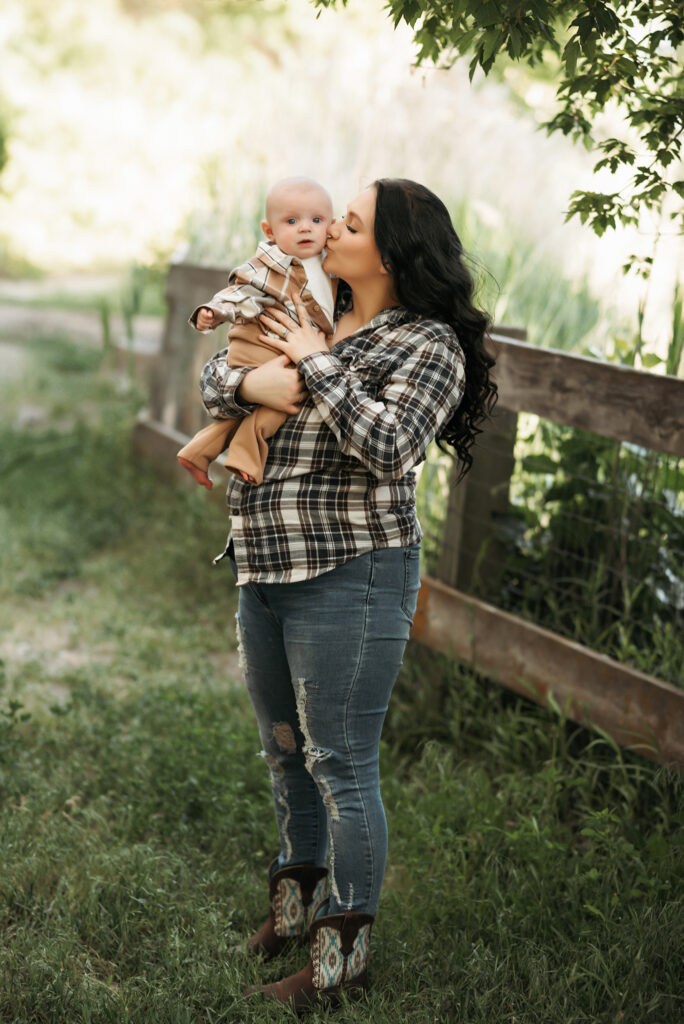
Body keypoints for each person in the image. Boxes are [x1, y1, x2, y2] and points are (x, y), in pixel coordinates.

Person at [199, 179, 497, 1009]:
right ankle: (292, 916)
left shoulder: (427, 344)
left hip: (352, 577)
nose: (328, 229)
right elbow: (217, 377)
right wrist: (251, 387)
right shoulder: (312, 300)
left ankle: (341, 966)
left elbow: (393, 446)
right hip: (265, 567)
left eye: (351, 223)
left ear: (392, 254)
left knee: (340, 762)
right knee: (287, 751)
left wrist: (318, 363)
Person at [178, 176, 335, 488]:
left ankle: (198, 451)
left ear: (331, 224)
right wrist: (215, 311)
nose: (306, 228)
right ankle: (245, 456)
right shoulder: (271, 265)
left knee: (267, 401)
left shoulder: (331, 263)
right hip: (260, 347)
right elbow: (241, 292)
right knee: (289, 399)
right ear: (269, 231)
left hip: (284, 347)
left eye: (316, 220)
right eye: (292, 221)